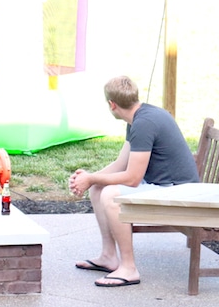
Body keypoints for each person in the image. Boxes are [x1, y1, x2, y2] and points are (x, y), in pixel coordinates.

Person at [68, 76, 199, 287]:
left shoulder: (144, 123)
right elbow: (121, 164)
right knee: (98, 189)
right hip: (163, 186)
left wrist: (91, 178)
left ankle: (128, 268)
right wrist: (89, 179)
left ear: (112, 104)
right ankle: (109, 256)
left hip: (178, 192)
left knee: (111, 196)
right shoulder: (138, 118)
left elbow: (132, 178)